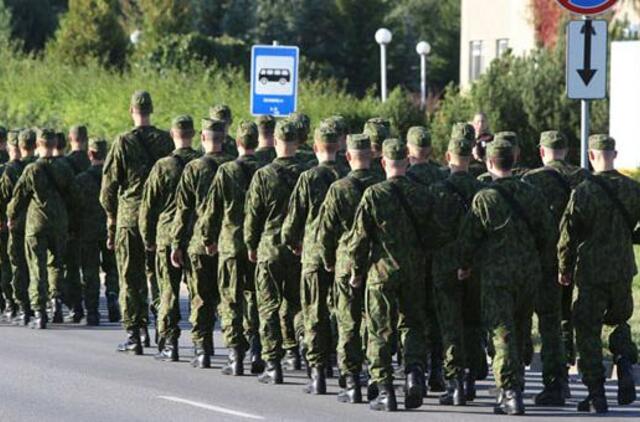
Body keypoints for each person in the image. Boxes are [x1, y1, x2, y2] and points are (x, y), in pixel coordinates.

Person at [458, 137, 553, 416]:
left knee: (502, 333)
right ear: (513, 162)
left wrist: (463, 266)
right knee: (521, 327)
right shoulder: (532, 194)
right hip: (528, 273)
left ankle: (509, 391)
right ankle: (518, 385)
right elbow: (548, 234)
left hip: (497, 276)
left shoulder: (484, 198)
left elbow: (468, 239)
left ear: (489, 163)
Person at [348, 139, 436, 412]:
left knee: (380, 330)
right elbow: (435, 234)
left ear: (383, 163)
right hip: (414, 270)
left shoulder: (374, 194)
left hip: (382, 272)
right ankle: (414, 375)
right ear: (407, 162)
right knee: (412, 325)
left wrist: (355, 271)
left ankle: (385, 390)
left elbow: (359, 239)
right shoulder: (423, 194)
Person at [558, 134, 639, 414]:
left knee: (588, 330)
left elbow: (568, 235)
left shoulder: (584, 190)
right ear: (614, 155)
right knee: (619, 321)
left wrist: (564, 269)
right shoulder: (633, 188)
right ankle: (625, 360)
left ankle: (596, 393)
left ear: (591, 157)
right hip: (622, 270)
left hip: (592, 272)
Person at [100, 90, 173, 355]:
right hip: (159, 219)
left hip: (130, 218)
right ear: (151, 110)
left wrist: (111, 215)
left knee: (130, 278)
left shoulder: (122, 142)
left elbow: (108, 188)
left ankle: (135, 334)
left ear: (131, 111)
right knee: (160, 277)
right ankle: (163, 331)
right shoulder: (166, 140)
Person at [521, 130, 588, 405]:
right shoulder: (584, 178)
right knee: (567, 318)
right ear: (567, 150)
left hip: (543, 262)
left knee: (547, 320)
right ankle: (565, 377)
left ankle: (550, 381)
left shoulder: (531, 180)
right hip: (580, 260)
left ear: (541, 152)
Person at [316, 133, 384, 403]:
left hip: (346, 263)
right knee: (376, 323)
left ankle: (352, 380)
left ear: (348, 157)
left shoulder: (339, 188)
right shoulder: (382, 186)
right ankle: (377, 376)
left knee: (348, 323)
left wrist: (328, 260)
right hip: (376, 264)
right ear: (371, 156)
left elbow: (325, 231)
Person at [282, 123, 348, 394]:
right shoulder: (348, 176)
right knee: (345, 313)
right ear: (340, 147)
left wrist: (293, 243)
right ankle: (346, 367)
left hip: (313, 254)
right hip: (344, 255)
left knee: (314, 312)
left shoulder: (308, 178)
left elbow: (292, 222)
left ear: (316, 148)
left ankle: (318, 372)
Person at [201, 120, 266, 375]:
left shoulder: (226, 171)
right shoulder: (265, 170)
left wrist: (208, 238)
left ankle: (235, 355)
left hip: (230, 244)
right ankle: (257, 349)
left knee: (230, 299)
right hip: (257, 245)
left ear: (237, 143)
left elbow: (212, 210)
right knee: (255, 298)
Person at [244, 119, 306, 384]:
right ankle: (300, 341)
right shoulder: (308, 174)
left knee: (268, 306)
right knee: (296, 303)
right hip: (298, 248)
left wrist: (250, 244)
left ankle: (273, 363)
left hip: (269, 248)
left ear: (277, 142)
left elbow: (253, 216)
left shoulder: (264, 174)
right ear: (297, 143)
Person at [429, 129, 485, 406]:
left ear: (448, 156)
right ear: (470, 158)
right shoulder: (482, 190)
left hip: (445, 265)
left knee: (450, 325)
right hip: (475, 265)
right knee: (473, 323)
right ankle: (472, 378)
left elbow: (430, 231)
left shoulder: (436, 191)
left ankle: (456, 383)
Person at [170, 118, 233, 366]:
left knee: (201, 297)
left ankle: (203, 349)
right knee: (229, 297)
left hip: (198, 243)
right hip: (226, 243)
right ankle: (234, 350)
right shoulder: (233, 167)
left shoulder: (194, 168)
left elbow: (183, 210)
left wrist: (176, 243)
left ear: (203, 138)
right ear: (224, 140)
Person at [139, 115, 201, 361]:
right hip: (195, 235)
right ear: (194, 134)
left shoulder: (163, 166)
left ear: (172, 135)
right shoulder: (202, 163)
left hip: (166, 236)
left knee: (168, 291)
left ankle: (170, 343)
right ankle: (200, 344)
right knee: (199, 293)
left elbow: (148, 206)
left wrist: (148, 238)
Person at [7, 128, 81, 329]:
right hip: (59, 223)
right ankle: (56, 301)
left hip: (36, 223)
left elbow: (19, 195)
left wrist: (11, 217)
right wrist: (73, 222)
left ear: (38, 145)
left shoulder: (31, 169)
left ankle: (39, 311)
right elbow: (75, 196)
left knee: (36, 267)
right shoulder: (65, 168)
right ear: (55, 144)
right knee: (56, 264)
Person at [405, 126, 447, 393]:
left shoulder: (403, 180)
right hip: (440, 258)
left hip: (412, 259)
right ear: (431, 151)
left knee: (413, 317)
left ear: (408, 151)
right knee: (438, 315)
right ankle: (437, 370)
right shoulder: (443, 179)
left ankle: (415, 370)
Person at [75, 138, 121, 325]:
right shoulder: (115, 177)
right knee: (112, 268)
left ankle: (92, 311)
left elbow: (74, 206)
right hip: (111, 228)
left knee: (90, 270)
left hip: (88, 232)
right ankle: (112, 296)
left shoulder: (81, 180)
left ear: (90, 154)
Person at [0, 129, 37, 325]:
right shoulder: (38, 166)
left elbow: (3, 198)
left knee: (14, 264)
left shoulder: (9, 171)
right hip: (36, 221)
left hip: (13, 224)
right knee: (36, 265)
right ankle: (36, 305)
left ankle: (17, 305)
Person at [61, 125, 92, 323]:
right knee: (91, 267)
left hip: (73, 221)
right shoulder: (95, 162)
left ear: (69, 139)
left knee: (71, 267)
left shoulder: (65, 165)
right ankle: (94, 308)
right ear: (86, 139)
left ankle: (76, 306)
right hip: (94, 222)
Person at [0, 130, 20, 321]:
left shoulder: (6, 169)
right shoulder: (30, 167)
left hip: (6, 221)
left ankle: (9, 301)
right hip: (24, 222)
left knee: (6, 263)